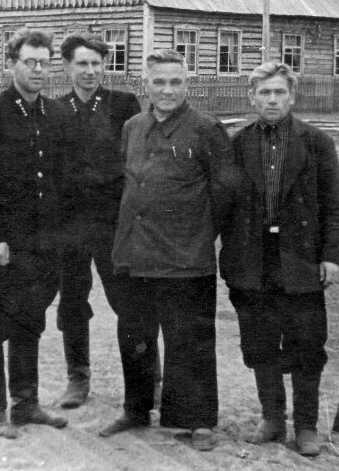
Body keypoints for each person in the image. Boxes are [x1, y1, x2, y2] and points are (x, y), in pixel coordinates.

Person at [99, 49, 236, 452]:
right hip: (135, 254)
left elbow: (225, 192)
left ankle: (198, 420)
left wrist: (195, 233)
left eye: (176, 82)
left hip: (185, 258)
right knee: (135, 336)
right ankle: (136, 409)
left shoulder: (206, 129)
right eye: (159, 81)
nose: (167, 90)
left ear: (187, 84)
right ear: (146, 84)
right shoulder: (132, 127)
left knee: (190, 340)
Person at [219, 62, 339, 457]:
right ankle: (272, 418)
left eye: (279, 92)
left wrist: (333, 257)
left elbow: (335, 205)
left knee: (307, 344)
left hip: (301, 259)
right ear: (252, 98)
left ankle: (306, 426)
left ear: (292, 97)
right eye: (264, 93)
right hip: (253, 260)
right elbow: (223, 205)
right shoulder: (237, 145)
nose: (272, 100)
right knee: (259, 342)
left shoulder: (317, 143)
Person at [0, 28, 74, 439]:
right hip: (1, 243)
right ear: (12, 64)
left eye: (44, 62)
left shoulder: (57, 113)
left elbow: (63, 180)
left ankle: (25, 404)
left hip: (43, 244)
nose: (38, 70)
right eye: (30, 62)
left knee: (30, 322)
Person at [54, 33, 142, 408]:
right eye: (82, 64)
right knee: (72, 301)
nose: (90, 71)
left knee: (129, 301)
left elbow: (137, 162)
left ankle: (145, 380)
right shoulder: (54, 109)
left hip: (114, 223)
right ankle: (78, 377)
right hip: (71, 225)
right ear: (67, 67)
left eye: (96, 63)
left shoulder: (124, 104)